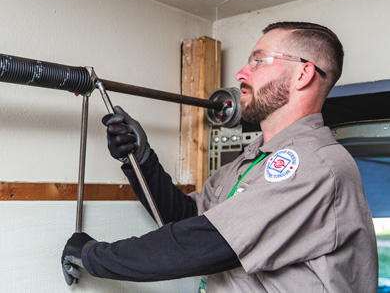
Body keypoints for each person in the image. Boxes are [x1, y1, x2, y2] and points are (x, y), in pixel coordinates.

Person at [62, 22, 378, 292]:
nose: (242, 72)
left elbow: (205, 244)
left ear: (303, 74)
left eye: (258, 60)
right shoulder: (249, 162)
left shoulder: (317, 165)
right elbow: (186, 218)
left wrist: (93, 255)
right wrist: (142, 160)